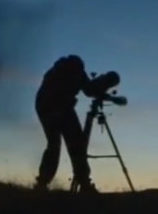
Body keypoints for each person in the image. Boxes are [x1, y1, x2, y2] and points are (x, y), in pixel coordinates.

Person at [34, 54, 114, 192]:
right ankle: (46, 182)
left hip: (59, 107)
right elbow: (88, 90)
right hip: (50, 107)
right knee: (60, 145)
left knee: (72, 145)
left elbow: (88, 90)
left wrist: (101, 90)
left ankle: (81, 182)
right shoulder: (65, 73)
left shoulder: (69, 71)